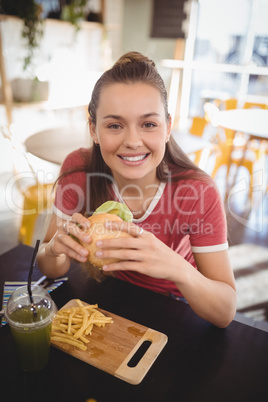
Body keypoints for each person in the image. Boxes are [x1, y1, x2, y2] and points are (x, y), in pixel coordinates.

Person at [37, 51, 237, 328]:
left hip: (178, 308)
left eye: (148, 124)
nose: (133, 141)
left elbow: (225, 311)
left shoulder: (198, 192)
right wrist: (53, 251)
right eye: (115, 125)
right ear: (93, 129)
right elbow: (50, 267)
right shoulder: (77, 170)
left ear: (168, 127)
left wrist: (177, 268)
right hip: (110, 296)